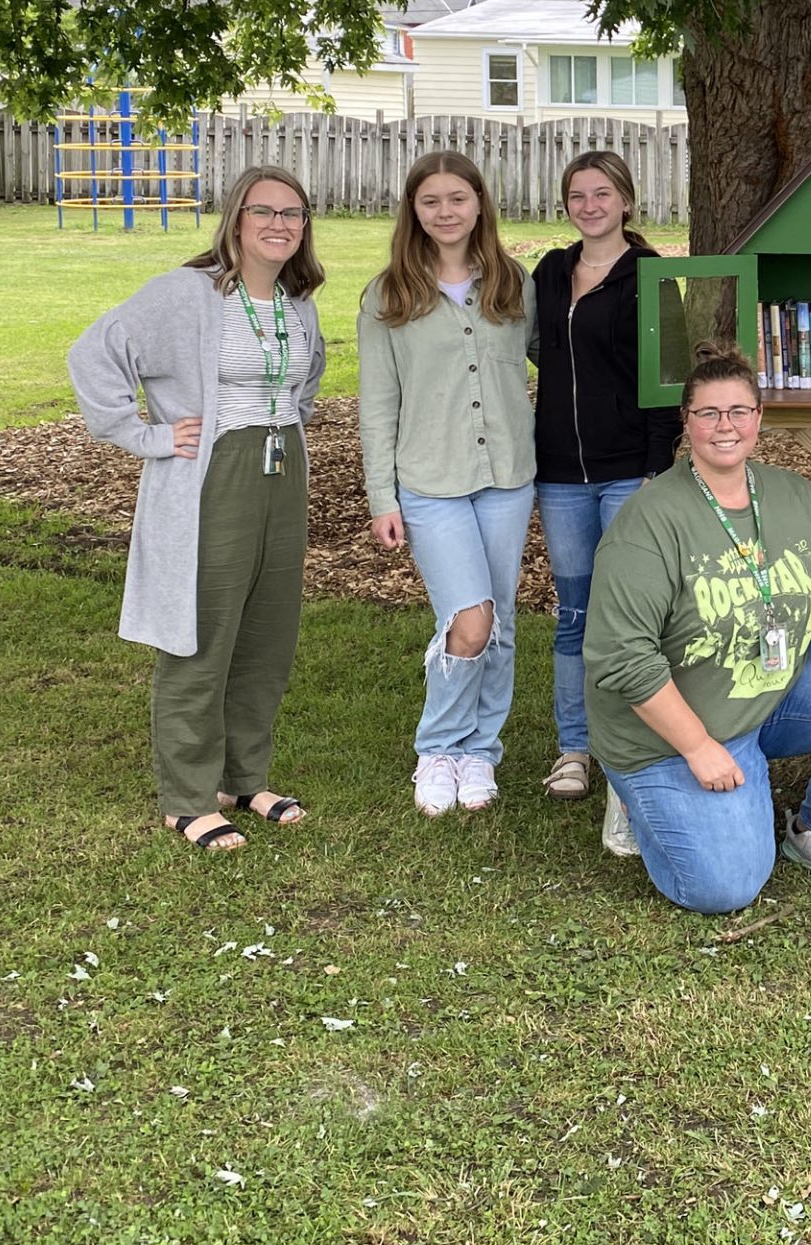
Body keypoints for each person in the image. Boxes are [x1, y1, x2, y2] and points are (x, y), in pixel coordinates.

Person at [582, 342, 811, 914]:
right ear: (686, 423)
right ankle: (636, 792)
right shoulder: (650, 521)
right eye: (708, 413)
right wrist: (698, 747)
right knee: (725, 887)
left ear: (759, 418)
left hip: (766, 690)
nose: (725, 426)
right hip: (667, 729)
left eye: (739, 411)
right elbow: (623, 658)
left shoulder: (794, 496)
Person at [67, 167, 328, 851]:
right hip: (215, 474)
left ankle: (243, 777)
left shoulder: (298, 301)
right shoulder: (188, 294)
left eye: (293, 213)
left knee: (267, 636)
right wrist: (147, 435)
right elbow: (95, 352)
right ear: (235, 219)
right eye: (263, 210)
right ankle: (186, 795)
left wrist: (287, 425)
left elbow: (306, 378)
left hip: (282, 469)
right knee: (202, 632)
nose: (280, 224)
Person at [358, 150, 538, 818]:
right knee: (469, 618)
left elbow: (559, 357)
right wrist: (383, 497)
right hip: (429, 482)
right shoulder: (387, 296)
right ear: (414, 210)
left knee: (502, 619)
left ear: (479, 203)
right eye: (430, 201)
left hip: (507, 478)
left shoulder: (513, 285)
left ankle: (479, 753)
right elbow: (376, 407)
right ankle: (436, 746)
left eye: (457, 198)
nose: (445, 212)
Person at [529, 150, 683, 845]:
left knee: (630, 622)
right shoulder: (550, 273)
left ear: (626, 200)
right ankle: (574, 748)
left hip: (630, 472)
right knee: (576, 613)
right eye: (577, 195)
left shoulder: (651, 278)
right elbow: (536, 351)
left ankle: (635, 751)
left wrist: (656, 468)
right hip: (559, 472)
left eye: (602, 194)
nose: (589, 206)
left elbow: (669, 382)